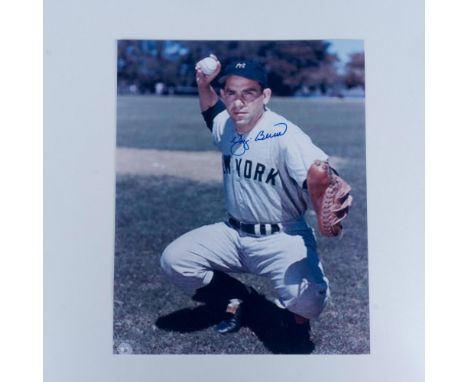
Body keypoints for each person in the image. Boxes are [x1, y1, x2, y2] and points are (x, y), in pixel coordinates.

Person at [160, 55, 336, 340]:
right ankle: (236, 297)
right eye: (231, 93)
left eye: (248, 93)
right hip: (232, 233)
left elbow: (322, 175)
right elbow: (211, 113)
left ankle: (295, 320)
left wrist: (327, 193)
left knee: (308, 301)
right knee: (175, 260)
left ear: (265, 96)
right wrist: (204, 84)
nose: (238, 102)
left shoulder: (285, 134)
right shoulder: (228, 124)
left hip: (282, 237)